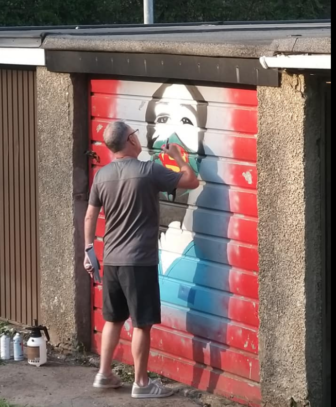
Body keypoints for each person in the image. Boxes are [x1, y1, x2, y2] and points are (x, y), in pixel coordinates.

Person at [84, 121, 199, 399]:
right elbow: (191, 181)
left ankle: (104, 374)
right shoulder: (149, 171)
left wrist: (89, 253)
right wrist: (178, 157)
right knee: (141, 323)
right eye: (135, 134)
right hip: (139, 261)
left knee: (112, 319)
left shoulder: (102, 176)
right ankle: (141, 383)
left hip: (111, 260)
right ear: (131, 142)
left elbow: (89, 216)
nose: (138, 137)